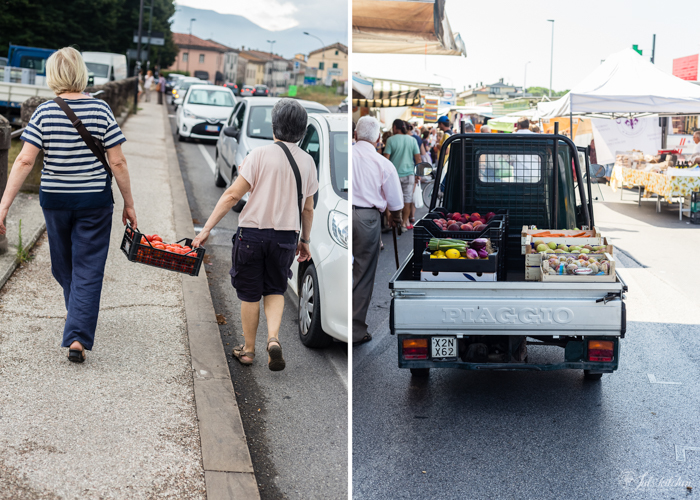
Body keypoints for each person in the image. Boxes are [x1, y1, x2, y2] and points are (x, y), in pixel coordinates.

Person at [0, 47, 136, 363]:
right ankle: (78, 322)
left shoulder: (44, 113)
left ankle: (76, 335)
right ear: (82, 73)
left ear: (53, 76)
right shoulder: (101, 111)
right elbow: (117, 161)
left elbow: (23, 159)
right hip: (94, 202)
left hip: (55, 202)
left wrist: (4, 205)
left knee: (64, 265)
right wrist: (129, 203)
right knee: (82, 268)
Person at [192, 99, 317, 371]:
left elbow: (232, 195)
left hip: (252, 235)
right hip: (286, 238)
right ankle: (273, 339)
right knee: (274, 289)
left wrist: (206, 229)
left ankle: (248, 350)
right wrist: (305, 241)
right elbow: (308, 209)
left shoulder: (258, 155)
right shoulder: (308, 162)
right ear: (302, 131)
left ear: (274, 127)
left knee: (250, 293)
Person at [352, 116, 403, 346]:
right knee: (362, 272)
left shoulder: (349, 154)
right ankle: (355, 329)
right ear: (379, 139)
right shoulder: (382, 163)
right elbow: (395, 202)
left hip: (343, 212)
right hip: (367, 219)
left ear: (355, 134)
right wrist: (397, 218)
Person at [384, 119, 420, 230]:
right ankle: (404, 224)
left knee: (390, 199)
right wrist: (417, 174)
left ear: (395, 127)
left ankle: (391, 222)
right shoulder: (412, 140)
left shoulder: (390, 140)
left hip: (394, 176)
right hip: (409, 174)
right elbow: (418, 158)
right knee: (407, 200)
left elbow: (386, 159)